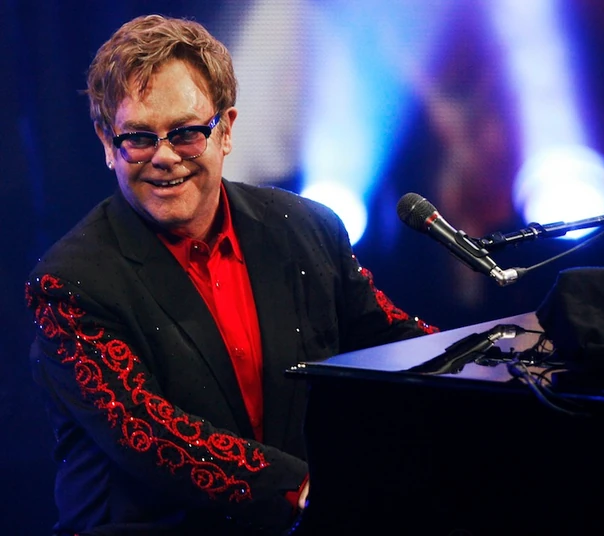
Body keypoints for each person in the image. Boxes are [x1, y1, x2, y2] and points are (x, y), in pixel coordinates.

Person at [24, 14, 437, 535]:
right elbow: (150, 434)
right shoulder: (69, 283)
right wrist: (301, 490)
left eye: (186, 133)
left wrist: (495, 364)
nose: (164, 157)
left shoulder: (305, 228)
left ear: (226, 130)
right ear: (109, 143)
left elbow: (395, 343)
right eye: (139, 137)